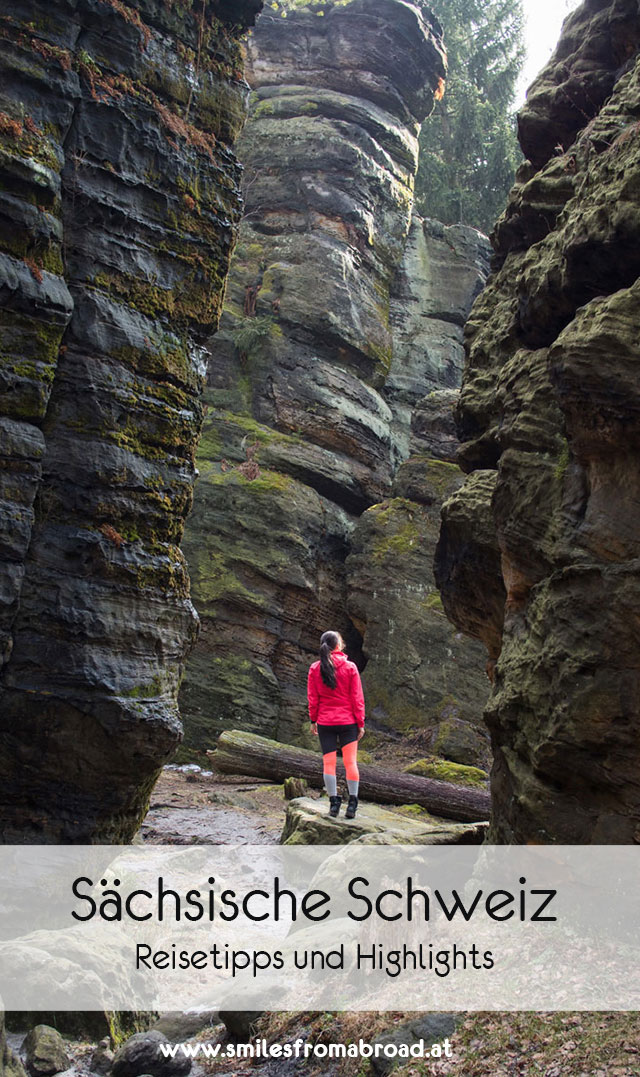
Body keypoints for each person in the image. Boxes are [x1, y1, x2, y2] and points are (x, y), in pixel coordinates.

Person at [307, 630, 365, 819]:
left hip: (325, 722)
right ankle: (352, 805)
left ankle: (333, 804)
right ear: (338, 645)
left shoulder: (315, 668)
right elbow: (357, 698)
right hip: (348, 722)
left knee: (329, 764)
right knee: (350, 763)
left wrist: (313, 720)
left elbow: (313, 698)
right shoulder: (350, 667)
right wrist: (360, 723)